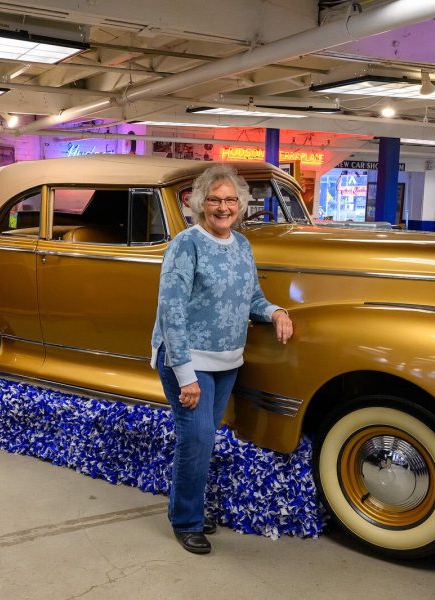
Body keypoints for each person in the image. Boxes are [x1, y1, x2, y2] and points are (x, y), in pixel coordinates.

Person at [150, 164, 293, 555]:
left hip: (227, 362)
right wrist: (185, 375)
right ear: (199, 203)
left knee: (203, 439)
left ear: (241, 205)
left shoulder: (243, 245)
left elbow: (252, 299)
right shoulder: (186, 243)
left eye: (230, 200)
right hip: (188, 361)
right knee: (195, 439)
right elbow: (172, 311)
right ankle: (186, 520)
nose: (223, 207)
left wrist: (276, 311)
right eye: (214, 199)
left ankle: (188, 506)